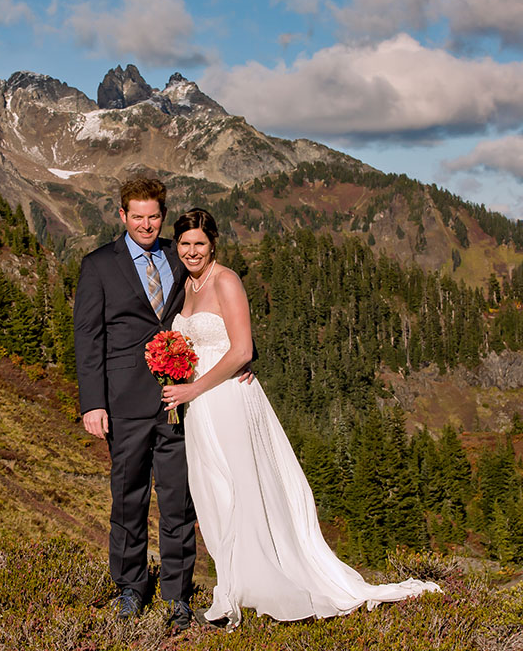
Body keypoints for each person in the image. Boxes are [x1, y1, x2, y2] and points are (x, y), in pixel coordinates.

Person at [162, 208, 442, 629]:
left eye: (199, 243)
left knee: (245, 492)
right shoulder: (184, 285)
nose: (192, 251)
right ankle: (234, 583)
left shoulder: (227, 281)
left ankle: (260, 586)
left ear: (213, 243)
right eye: (184, 244)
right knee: (214, 495)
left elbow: (241, 351)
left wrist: (192, 389)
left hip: (230, 402)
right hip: (200, 409)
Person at [72, 176, 196, 630]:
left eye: (154, 216)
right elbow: (88, 337)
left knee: (179, 501)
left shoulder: (178, 258)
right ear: (121, 216)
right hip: (123, 403)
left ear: (163, 215)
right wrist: (92, 403)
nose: (147, 224)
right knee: (128, 499)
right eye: (137, 216)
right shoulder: (99, 264)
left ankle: (178, 594)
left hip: (178, 401)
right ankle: (130, 588)